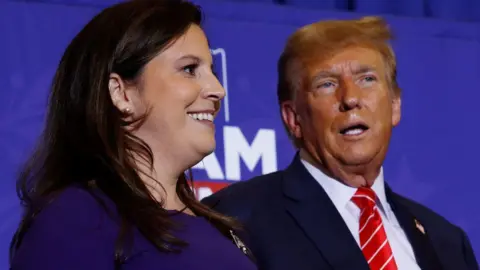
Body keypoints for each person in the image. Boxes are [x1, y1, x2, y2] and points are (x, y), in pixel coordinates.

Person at [202, 16, 478, 270]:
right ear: (293, 117)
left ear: (395, 105)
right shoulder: (234, 221)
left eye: (367, 79)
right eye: (327, 84)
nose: (350, 98)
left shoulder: (448, 244)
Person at [9, 0, 257, 269]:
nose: (218, 89)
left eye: (212, 71)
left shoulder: (222, 227)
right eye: (189, 69)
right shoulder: (77, 218)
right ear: (121, 93)